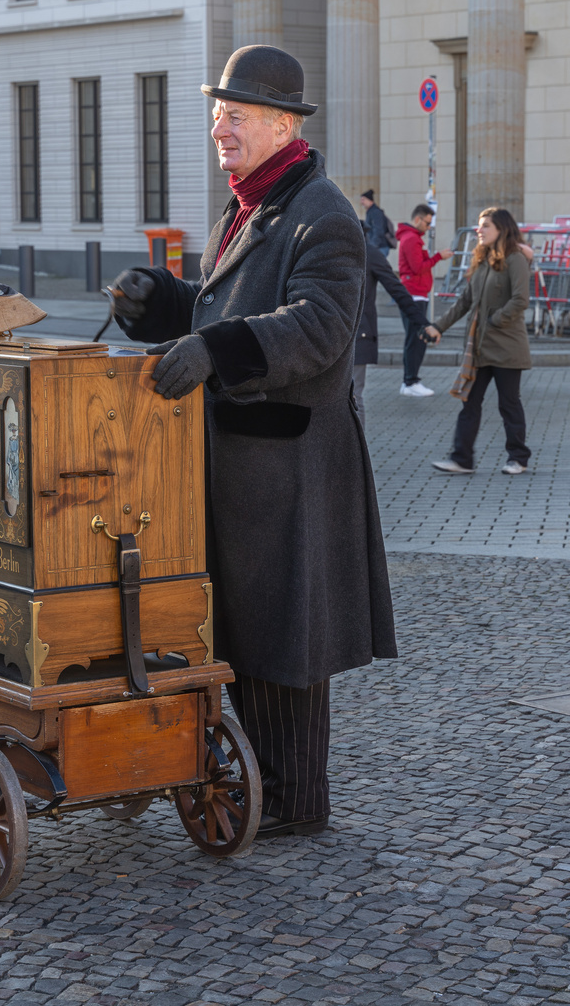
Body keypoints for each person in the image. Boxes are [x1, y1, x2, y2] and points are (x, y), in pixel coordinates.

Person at [107, 45, 396, 839]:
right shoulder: (250, 203)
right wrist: (159, 303)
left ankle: (297, 801)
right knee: (249, 635)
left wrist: (218, 352)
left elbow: (319, 327)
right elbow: (218, 309)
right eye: (217, 114)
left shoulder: (324, 214)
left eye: (233, 116)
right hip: (243, 466)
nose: (218, 128)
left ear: (280, 124)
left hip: (291, 467)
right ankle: (267, 786)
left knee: (286, 642)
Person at [429, 206, 532, 476]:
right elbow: (465, 301)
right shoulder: (482, 260)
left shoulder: (515, 259)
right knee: (470, 402)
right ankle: (462, 459)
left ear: (501, 229)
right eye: (479, 225)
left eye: (485, 225)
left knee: (508, 404)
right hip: (480, 348)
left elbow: (521, 300)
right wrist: (438, 326)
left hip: (507, 347)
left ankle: (518, 458)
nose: (479, 230)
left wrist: (495, 320)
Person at [352, 245, 436, 428]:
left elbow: (397, 290)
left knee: (353, 398)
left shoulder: (367, 252)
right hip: (329, 336)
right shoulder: (322, 244)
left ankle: (355, 455)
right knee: (341, 399)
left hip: (357, 336)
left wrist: (423, 322)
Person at [394, 204, 452, 397]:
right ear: (417, 219)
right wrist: (438, 257)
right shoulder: (411, 239)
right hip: (414, 294)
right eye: (427, 223)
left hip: (417, 293)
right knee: (416, 339)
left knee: (416, 338)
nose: (428, 228)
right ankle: (410, 382)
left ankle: (410, 381)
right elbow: (418, 267)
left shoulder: (413, 238)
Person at [359, 190, 393, 255]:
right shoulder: (371, 211)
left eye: (363, 199)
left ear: (370, 200)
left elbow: (378, 230)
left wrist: (372, 246)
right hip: (377, 247)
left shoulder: (376, 212)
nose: (361, 202)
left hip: (380, 247)